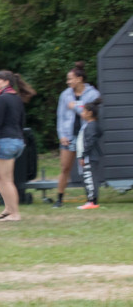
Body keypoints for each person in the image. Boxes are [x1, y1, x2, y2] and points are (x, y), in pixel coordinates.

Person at [0, 70, 33, 222]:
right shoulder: (16, 98)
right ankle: (8, 208)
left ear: (6, 82)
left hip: (7, 142)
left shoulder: (3, 98)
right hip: (17, 141)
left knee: (6, 180)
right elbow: (22, 121)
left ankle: (15, 214)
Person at [53, 63, 101, 208]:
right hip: (69, 136)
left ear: (79, 79)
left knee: (87, 168)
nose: (68, 82)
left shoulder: (93, 94)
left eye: (70, 79)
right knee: (65, 168)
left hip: (85, 136)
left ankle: (91, 199)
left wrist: (75, 107)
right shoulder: (65, 95)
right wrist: (61, 135)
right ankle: (59, 199)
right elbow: (60, 117)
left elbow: (90, 114)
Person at [77, 99, 103, 210]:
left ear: (89, 113)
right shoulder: (92, 125)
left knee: (89, 178)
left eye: (84, 111)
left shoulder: (91, 126)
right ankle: (92, 200)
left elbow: (90, 142)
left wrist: (83, 156)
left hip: (89, 156)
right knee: (91, 178)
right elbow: (100, 133)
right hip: (90, 156)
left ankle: (91, 201)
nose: (82, 113)